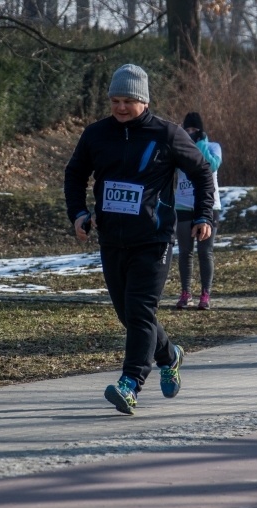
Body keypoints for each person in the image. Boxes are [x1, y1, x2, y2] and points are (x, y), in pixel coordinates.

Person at [64, 64, 215, 415]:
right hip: (112, 239)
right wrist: (78, 213)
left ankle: (130, 383)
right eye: (115, 100)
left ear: (143, 101)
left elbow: (202, 172)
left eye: (127, 100)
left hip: (154, 239)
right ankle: (169, 355)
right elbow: (75, 173)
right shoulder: (96, 134)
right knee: (130, 315)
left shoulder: (168, 134)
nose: (119, 107)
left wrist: (204, 214)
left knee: (141, 310)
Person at [175, 112, 223, 310]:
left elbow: (211, 165)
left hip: (209, 206)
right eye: (188, 130)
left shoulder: (213, 147)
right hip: (183, 205)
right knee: (185, 252)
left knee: (205, 252)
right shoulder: (178, 147)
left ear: (201, 131)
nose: (191, 133)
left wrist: (200, 143)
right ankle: (186, 293)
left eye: (195, 130)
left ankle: (205, 294)